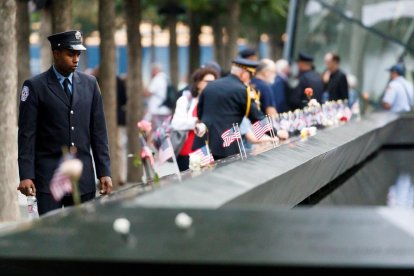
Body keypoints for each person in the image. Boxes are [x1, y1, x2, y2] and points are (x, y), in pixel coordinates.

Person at [17, 30, 112, 215]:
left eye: (78, 54)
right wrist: (26, 175)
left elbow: (99, 133)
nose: (76, 59)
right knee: (51, 236)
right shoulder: (35, 86)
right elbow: (27, 135)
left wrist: (104, 171)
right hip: (48, 179)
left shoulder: (90, 84)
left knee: (82, 235)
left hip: (82, 178)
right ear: (56, 53)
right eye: (70, 54)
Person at [194, 58, 266, 160]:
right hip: (227, 145)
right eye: (250, 75)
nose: (250, 79)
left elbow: (200, 113)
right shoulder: (243, 90)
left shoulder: (210, 86)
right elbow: (256, 117)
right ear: (243, 74)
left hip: (204, 144)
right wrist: (274, 133)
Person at [170, 67, 219, 171]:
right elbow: (176, 124)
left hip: (208, 150)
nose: (211, 85)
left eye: (214, 82)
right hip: (187, 151)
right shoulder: (185, 100)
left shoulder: (217, 101)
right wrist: (197, 121)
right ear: (198, 83)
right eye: (208, 82)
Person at [144, 63, 171, 129]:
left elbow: (148, 92)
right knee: (164, 129)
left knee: (156, 129)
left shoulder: (157, 79)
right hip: (165, 109)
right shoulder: (166, 79)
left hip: (157, 109)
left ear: (155, 70)